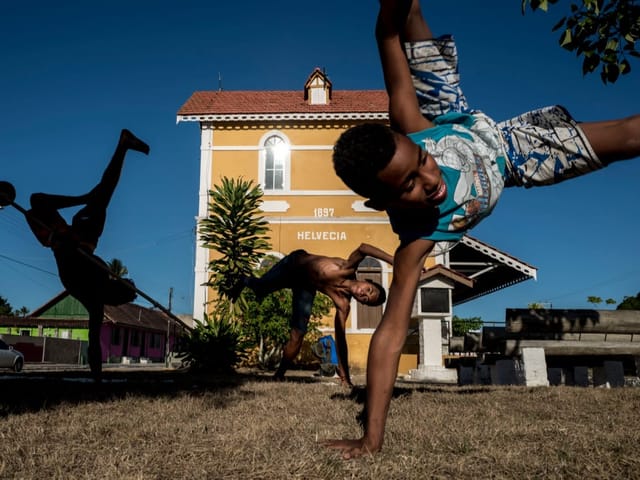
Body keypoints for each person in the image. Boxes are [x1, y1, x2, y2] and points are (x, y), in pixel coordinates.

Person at [327, 0, 640, 458]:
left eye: (421, 163)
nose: (430, 180)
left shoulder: (411, 129)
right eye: (410, 185)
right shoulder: (418, 241)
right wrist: (371, 439)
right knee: (626, 139)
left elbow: (386, 39)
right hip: (515, 155)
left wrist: (390, 13)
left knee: (408, 19)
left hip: (454, 118)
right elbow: (391, 334)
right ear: (383, 203)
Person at [24, 129, 149, 379]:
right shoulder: (99, 286)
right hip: (80, 235)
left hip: (72, 239)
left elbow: (93, 340)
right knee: (101, 194)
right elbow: (94, 337)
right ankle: (122, 147)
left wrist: (58, 236)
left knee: (38, 203)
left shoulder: (95, 290)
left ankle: (122, 146)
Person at [235, 244, 393, 386]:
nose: (363, 294)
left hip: (305, 287)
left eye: (365, 299)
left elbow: (341, 340)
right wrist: (393, 261)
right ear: (366, 280)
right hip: (292, 266)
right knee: (260, 289)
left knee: (297, 335)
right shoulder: (346, 268)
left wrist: (345, 378)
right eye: (369, 289)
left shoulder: (343, 303)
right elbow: (363, 248)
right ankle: (241, 279)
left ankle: (278, 375)